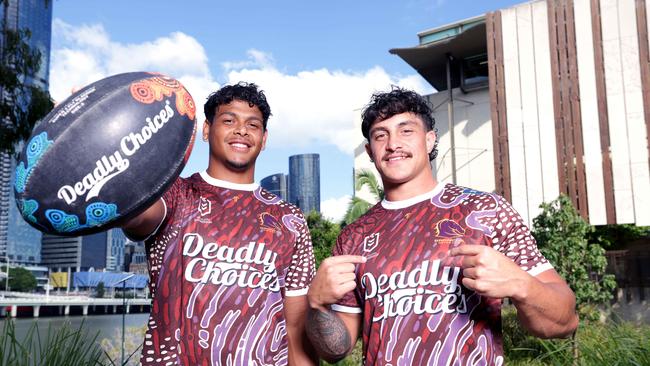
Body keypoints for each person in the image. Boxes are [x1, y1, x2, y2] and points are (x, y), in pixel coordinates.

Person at [306, 87, 578, 365]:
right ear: (369, 150)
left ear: (429, 139)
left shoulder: (486, 210)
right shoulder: (353, 237)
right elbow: (336, 350)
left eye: (406, 131)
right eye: (380, 135)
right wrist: (316, 306)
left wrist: (521, 284)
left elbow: (564, 322)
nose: (393, 144)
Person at [122, 82, 317, 365]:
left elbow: (297, 329)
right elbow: (135, 216)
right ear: (206, 130)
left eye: (253, 125)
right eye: (229, 120)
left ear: (263, 139)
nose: (242, 130)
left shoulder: (290, 220)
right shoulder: (175, 195)